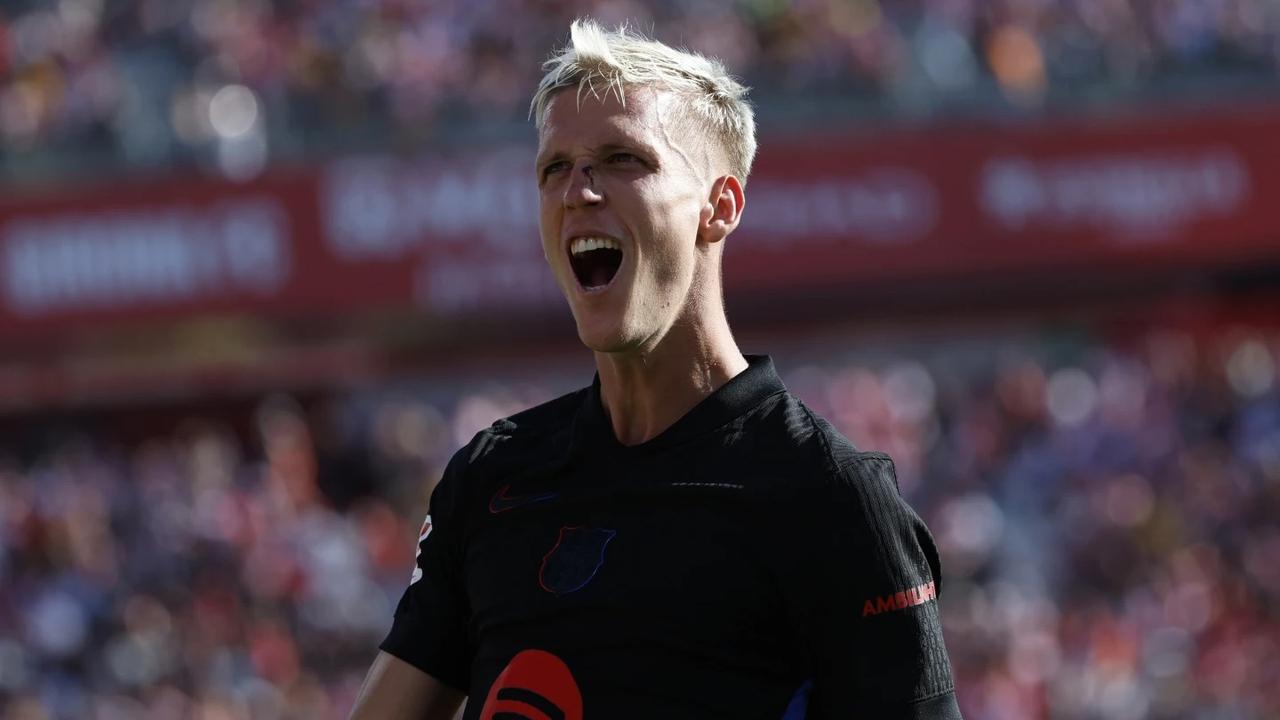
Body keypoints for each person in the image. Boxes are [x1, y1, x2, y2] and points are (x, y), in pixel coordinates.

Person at [350, 19, 961, 720]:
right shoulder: (491, 478)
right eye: (555, 168)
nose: (579, 190)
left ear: (719, 206)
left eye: (622, 159)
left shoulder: (832, 497)